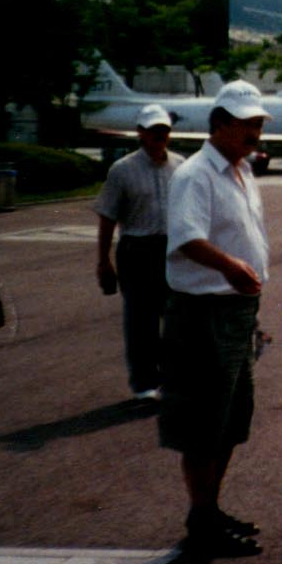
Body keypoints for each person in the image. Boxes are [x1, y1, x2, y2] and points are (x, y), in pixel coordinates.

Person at [161, 81, 271, 557]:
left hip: (236, 310)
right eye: (247, 124)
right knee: (205, 422)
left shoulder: (240, 171)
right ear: (220, 124)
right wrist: (229, 266)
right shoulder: (196, 175)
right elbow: (187, 238)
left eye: (259, 123)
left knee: (229, 420)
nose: (255, 132)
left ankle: (207, 509)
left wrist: (250, 310)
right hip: (203, 312)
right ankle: (202, 521)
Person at [94, 104, 182, 401]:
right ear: (140, 132)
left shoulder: (181, 166)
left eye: (164, 130)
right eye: (154, 130)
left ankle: (172, 379)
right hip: (138, 250)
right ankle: (144, 382)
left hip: (172, 249)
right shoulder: (123, 170)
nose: (160, 135)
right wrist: (103, 261)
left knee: (176, 318)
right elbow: (108, 216)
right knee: (141, 321)